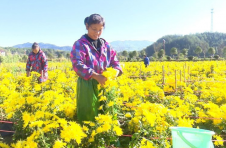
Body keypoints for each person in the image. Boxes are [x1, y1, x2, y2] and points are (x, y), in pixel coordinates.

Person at [70, 14, 122, 124]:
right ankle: (89, 139)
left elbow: (115, 62)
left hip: (105, 83)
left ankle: (106, 139)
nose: (97, 33)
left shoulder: (106, 45)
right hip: (87, 83)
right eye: (94, 29)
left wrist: (116, 72)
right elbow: (77, 64)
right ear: (87, 26)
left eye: (100, 30)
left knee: (107, 112)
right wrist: (95, 76)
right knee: (88, 115)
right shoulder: (80, 44)